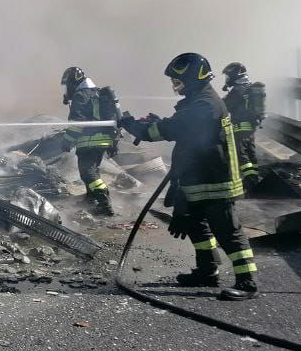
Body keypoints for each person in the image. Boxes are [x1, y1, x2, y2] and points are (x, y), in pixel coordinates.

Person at [120, 53, 258, 300]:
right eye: (174, 81)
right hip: (197, 174)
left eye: (179, 81)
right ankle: (207, 271)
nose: (175, 86)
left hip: (214, 178)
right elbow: (182, 128)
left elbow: (167, 130)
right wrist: (159, 122)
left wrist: (131, 124)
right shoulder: (198, 100)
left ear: (195, 78)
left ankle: (247, 283)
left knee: (227, 230)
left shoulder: (204, 104)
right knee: (196, 225)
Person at [59, 66, 119, 217]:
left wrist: (67, 141)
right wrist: (114, 142)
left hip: (89, 141)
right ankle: (90, 198)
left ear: (73, 82)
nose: (67, 89)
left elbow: (77, 123)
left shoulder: (81, 95)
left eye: (68, 85)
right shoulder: (96, 93)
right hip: (102, 140)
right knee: (93, 170)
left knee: (88, 173)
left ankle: (104, 203)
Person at [221, 62, 265, 193]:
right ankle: (254, 179)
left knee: (241, 155)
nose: (227, 79)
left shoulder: (237, 90)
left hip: (240, 128)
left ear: (235, 75)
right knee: (251, 154)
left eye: (228, 76)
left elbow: (224, 106)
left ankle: (250, 182)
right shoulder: (248, 87)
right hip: (250, 128)